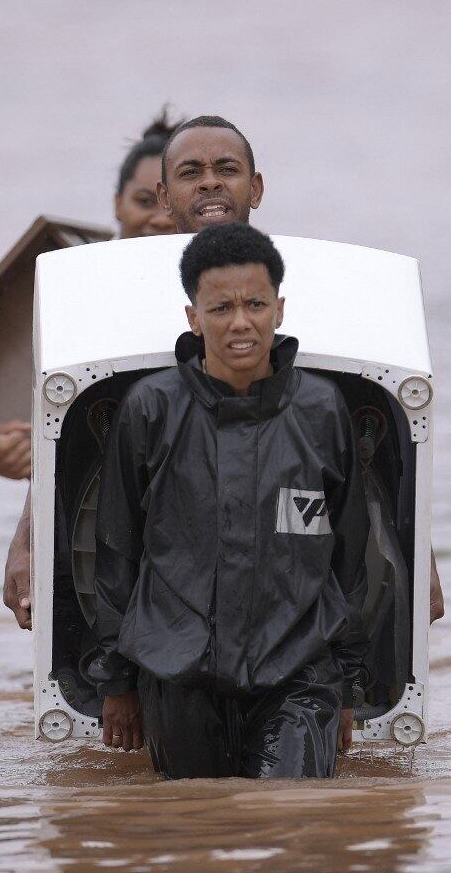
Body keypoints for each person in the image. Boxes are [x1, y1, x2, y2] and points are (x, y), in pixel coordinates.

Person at [4, 114, 444, 628]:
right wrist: (28, 537)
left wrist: (420, 554)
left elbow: (376, 446)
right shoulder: (108, 295)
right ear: (165, 197)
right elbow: (67, 432)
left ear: (255, 187)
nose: (210, 181)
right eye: (191, 172)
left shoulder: (322, 285)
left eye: (227, 169)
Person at [91, 223, 368, 778]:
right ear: (193, 317)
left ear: (279, 310)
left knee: (288, 825)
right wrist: (116, 682)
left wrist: (348, 688)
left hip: (299, 670)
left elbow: (351, 555)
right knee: (197, 831)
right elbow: (114, 553)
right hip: (177, 672)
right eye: (221, 309)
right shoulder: (151, 409)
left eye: (255, 304)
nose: (241, 323)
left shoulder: (321, 409)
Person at [0, 111, 181, 483]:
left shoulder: (219, 287)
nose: (160, 219)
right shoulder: (72, 280)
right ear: (118, 203)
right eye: (145, 201)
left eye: (170, 204)